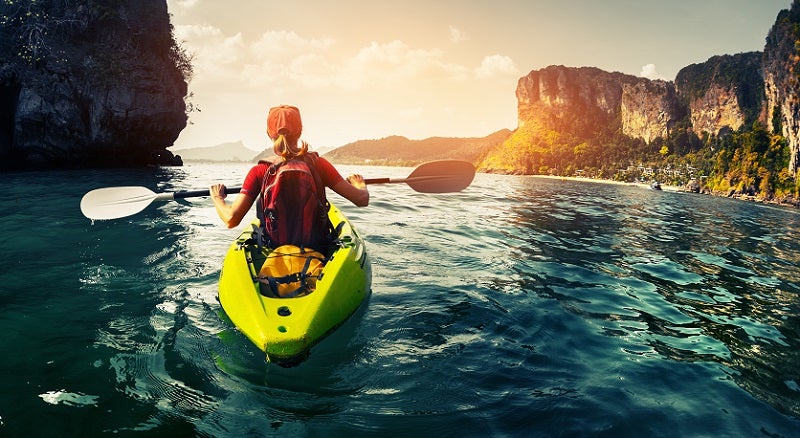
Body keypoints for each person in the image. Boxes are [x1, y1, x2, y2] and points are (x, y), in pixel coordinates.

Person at [209, 105, 369, 243]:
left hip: (274, 248)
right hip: (317, 246)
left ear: (268, 133)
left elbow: (231, 219)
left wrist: (217, 198)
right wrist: (359, 184)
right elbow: (361, 199)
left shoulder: (260, 171)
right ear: (300, 131)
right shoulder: (319, 165)